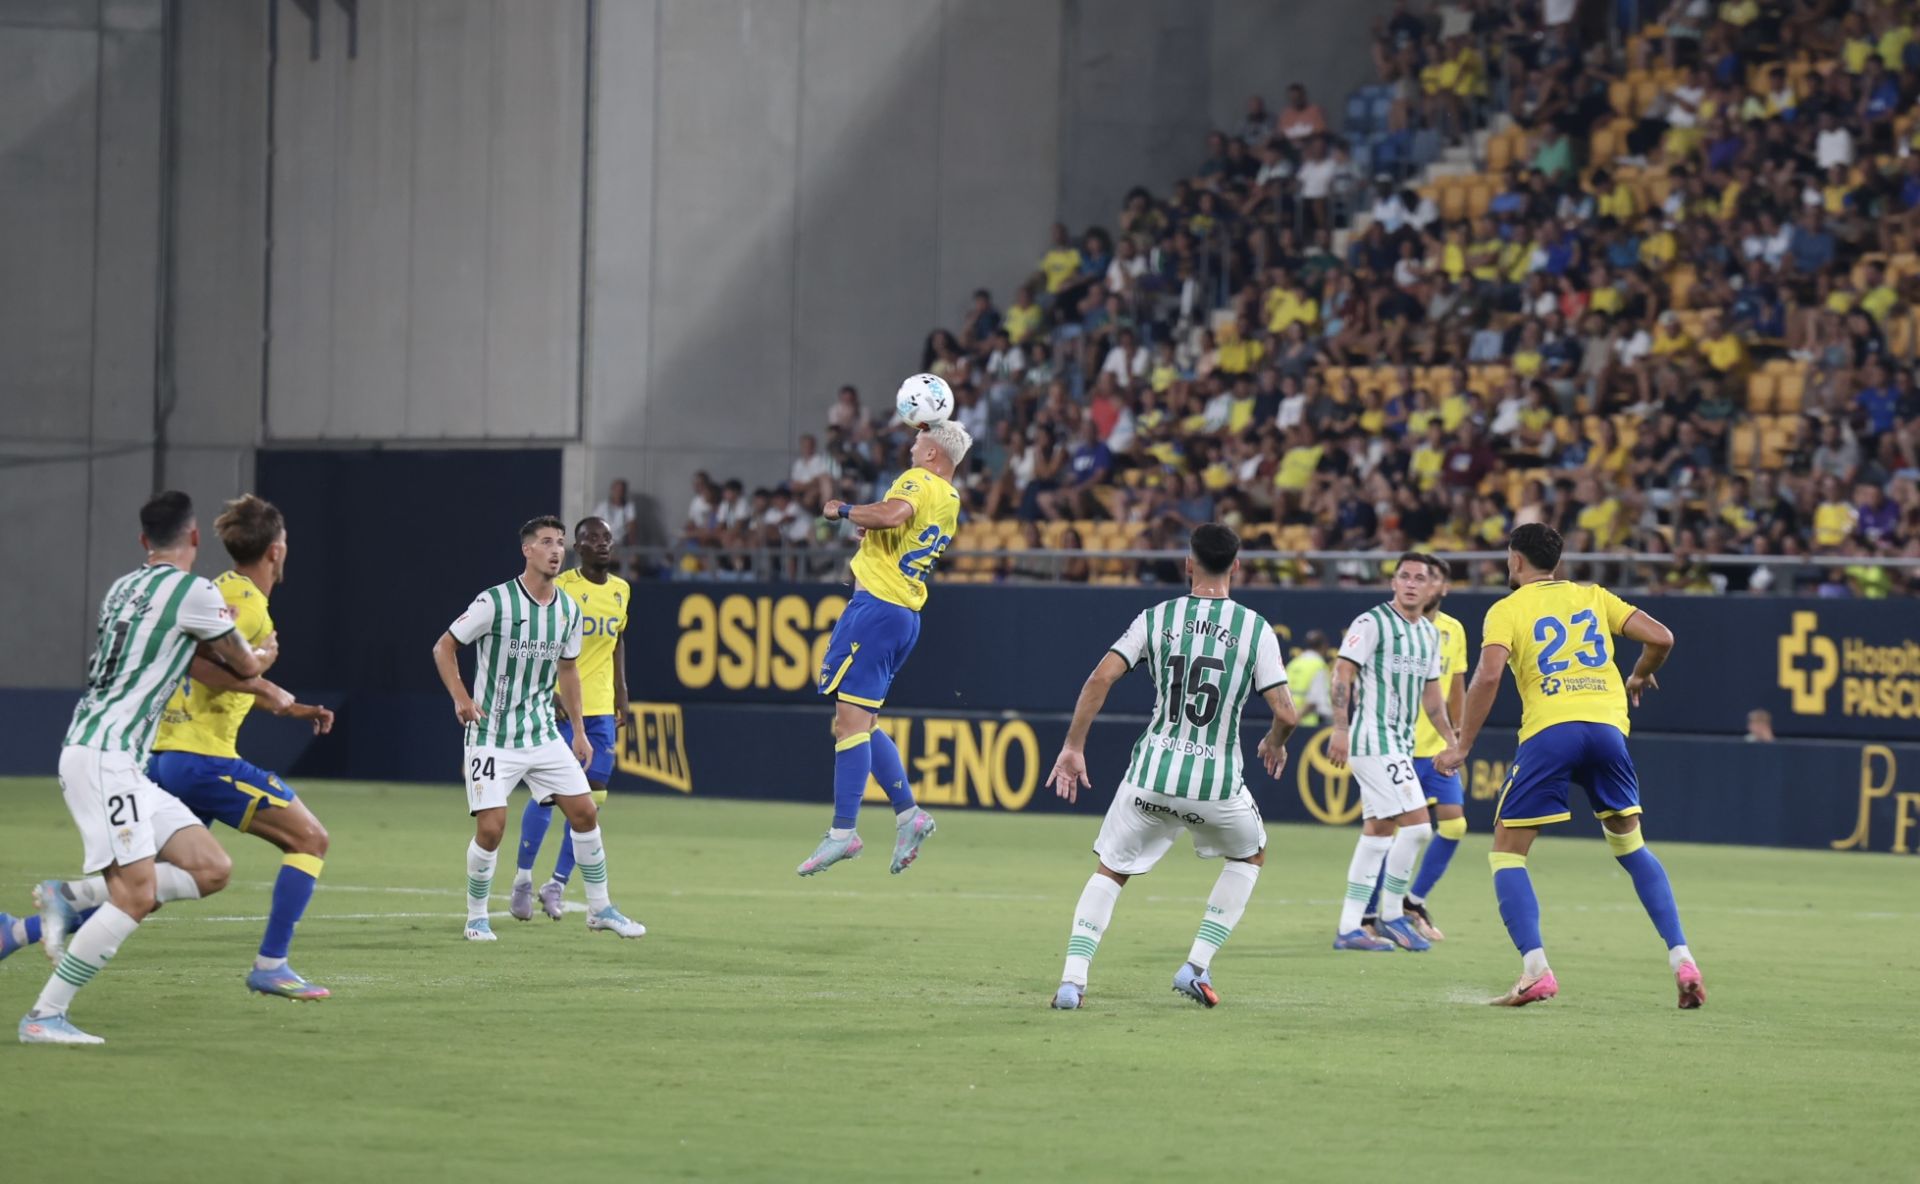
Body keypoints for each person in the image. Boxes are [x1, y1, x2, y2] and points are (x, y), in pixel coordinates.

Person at [16, 491, 266, 1045]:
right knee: (135, 892)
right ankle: (44, 1015)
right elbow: (245, 664)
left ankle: (70, 898)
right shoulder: (195, 592)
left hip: (115, 756)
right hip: (105, 757)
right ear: (195, 538)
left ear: (142, 541)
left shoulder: (121, 588)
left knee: (211, 868)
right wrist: (266, 652)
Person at [1435, 523, 1703, 1009]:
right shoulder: (1594, 596)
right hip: (1607, 730)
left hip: (1551, 732)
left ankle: (1535, 969)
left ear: (1515, 561)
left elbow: (1489, 674)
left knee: (1507, 854)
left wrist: (1461, 745)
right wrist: (1640, 675)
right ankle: (1682, 957)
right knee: (1631, 846)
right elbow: (1662, 637)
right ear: (1555, 562)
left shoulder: (1506, 609)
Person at [1044, 524, 1297, 1009]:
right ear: (1236, 567)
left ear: (1188, 563)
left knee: (1111, 871)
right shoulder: (1255, 628)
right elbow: (1286, 714)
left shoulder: (1156, 617)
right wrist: (1275, 742)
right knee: (1250, 856)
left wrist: (1074, 746)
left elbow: (1100, 677)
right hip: (1216, 788)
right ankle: (1195, 966)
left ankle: (1072, 982)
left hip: (1150, 778)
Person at [137, 494, 337, 1001]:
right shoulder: (245, 605)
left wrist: (297, 707)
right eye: (285, 541)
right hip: (200, 760)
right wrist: (260, 677)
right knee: (310, 840)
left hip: (166, 758)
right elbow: (193, 660)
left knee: (150, 886)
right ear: (275, 551)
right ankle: (272, 965)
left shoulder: (220, 591)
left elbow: (222, 674)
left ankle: (26, 928)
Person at [431, 517, 646, 942]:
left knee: (585, 813)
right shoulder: (496, 601)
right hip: (492, 735)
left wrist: (580, 731)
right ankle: (477, 916)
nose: (555, 550)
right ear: (527, 550)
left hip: (542, 733)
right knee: (491, 829)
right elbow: (444, 646)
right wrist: (460, 696)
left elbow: (568, 671)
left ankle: (601, 908)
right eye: (546, 542)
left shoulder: (568, 609)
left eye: (560, 543)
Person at [798, 419, 972, 876]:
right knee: (865, 722)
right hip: (904, 616)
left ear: (933, 453)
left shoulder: (917, 480)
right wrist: (873, 530)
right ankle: (909, 816)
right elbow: (903, 528)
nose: (912, 446)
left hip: (876, 609)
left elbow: (895, 514)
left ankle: (843, 833)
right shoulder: (951, 499)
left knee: (848, 724)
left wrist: (844, 510)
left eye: (919, 441)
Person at [1327, 554, 1455, 953]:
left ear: (1433, 587)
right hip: (1372, 740)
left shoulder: (1430, 635)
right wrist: (1340, 727)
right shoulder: (1372, 623)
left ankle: (1350, 928)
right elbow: (1342, 672)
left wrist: (1451, 740)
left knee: (1378, 834)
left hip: (1398, 743)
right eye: (1405, 576)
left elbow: (1432, 697)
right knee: (1418, 828)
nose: (1412, 584)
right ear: (1394, 583)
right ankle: (1392, 914)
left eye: (1421, 578)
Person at [510, 517, 630, 922]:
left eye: (606, 537)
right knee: (547, 794)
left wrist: (623, 692)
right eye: (591, 538)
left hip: (601, 710)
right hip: (558, 705)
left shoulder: (621, 590)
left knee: (592, 800)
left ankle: (555, 883)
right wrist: (553, 690)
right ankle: (523, 879)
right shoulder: (563, 588)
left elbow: (616, 642)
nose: (601, 543)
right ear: (577, 547)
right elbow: (541, 642)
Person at [1359, 555, 1468, 941]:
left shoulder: (1452, 631)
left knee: (1454, 824)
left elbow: (1456, 690)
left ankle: (1412, 900)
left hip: (1436, 749)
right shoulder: (1391, 625)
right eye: (1412, 577)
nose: (1421, 584)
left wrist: (1458, 740)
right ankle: (1370, 914)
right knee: (1389, 829)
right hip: (1396, 746)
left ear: (1441, 588)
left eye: (1429, 579)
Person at [1284, 630, 1334, 728]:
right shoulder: (1318, 666)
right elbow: (1314, 701)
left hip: (1288, 721)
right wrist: (1296, 719)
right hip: (1311, 724)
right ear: (1324, 646)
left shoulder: (1293, 664)